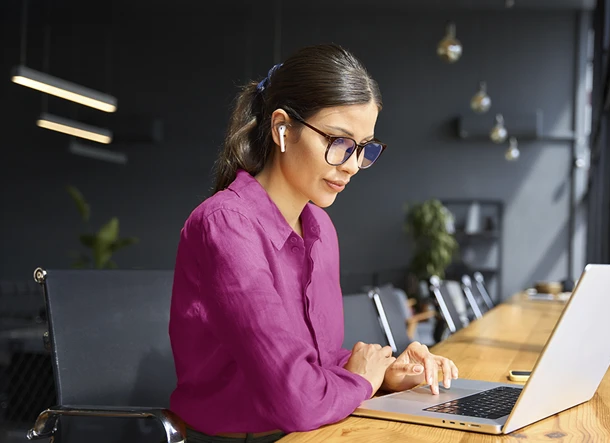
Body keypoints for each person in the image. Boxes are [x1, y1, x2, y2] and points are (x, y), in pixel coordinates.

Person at [169, 43, 459, 443]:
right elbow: (296, 398)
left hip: (310, 432)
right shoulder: (226, 225)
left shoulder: (319, 228)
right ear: (282, 128)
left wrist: (385, 373)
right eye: (339, 142)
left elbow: (310, 363)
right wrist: (361, 380)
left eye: (364, 148)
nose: (353, 165)